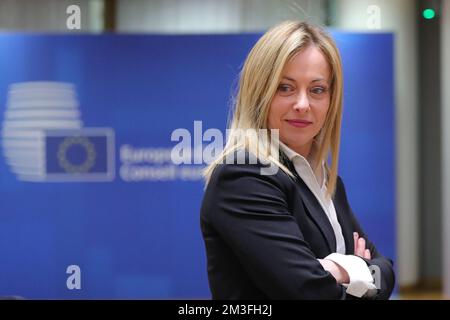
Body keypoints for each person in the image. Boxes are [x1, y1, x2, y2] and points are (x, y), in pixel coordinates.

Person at [200, 21, 395, 299]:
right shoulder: (244, 176)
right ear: (259, 94)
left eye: (317, 90)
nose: (302, 104)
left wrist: (341, 270)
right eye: (285, 87)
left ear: (331, 100)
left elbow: (385, 269)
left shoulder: (327, 181)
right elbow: (309, 292)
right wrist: (356, 268)